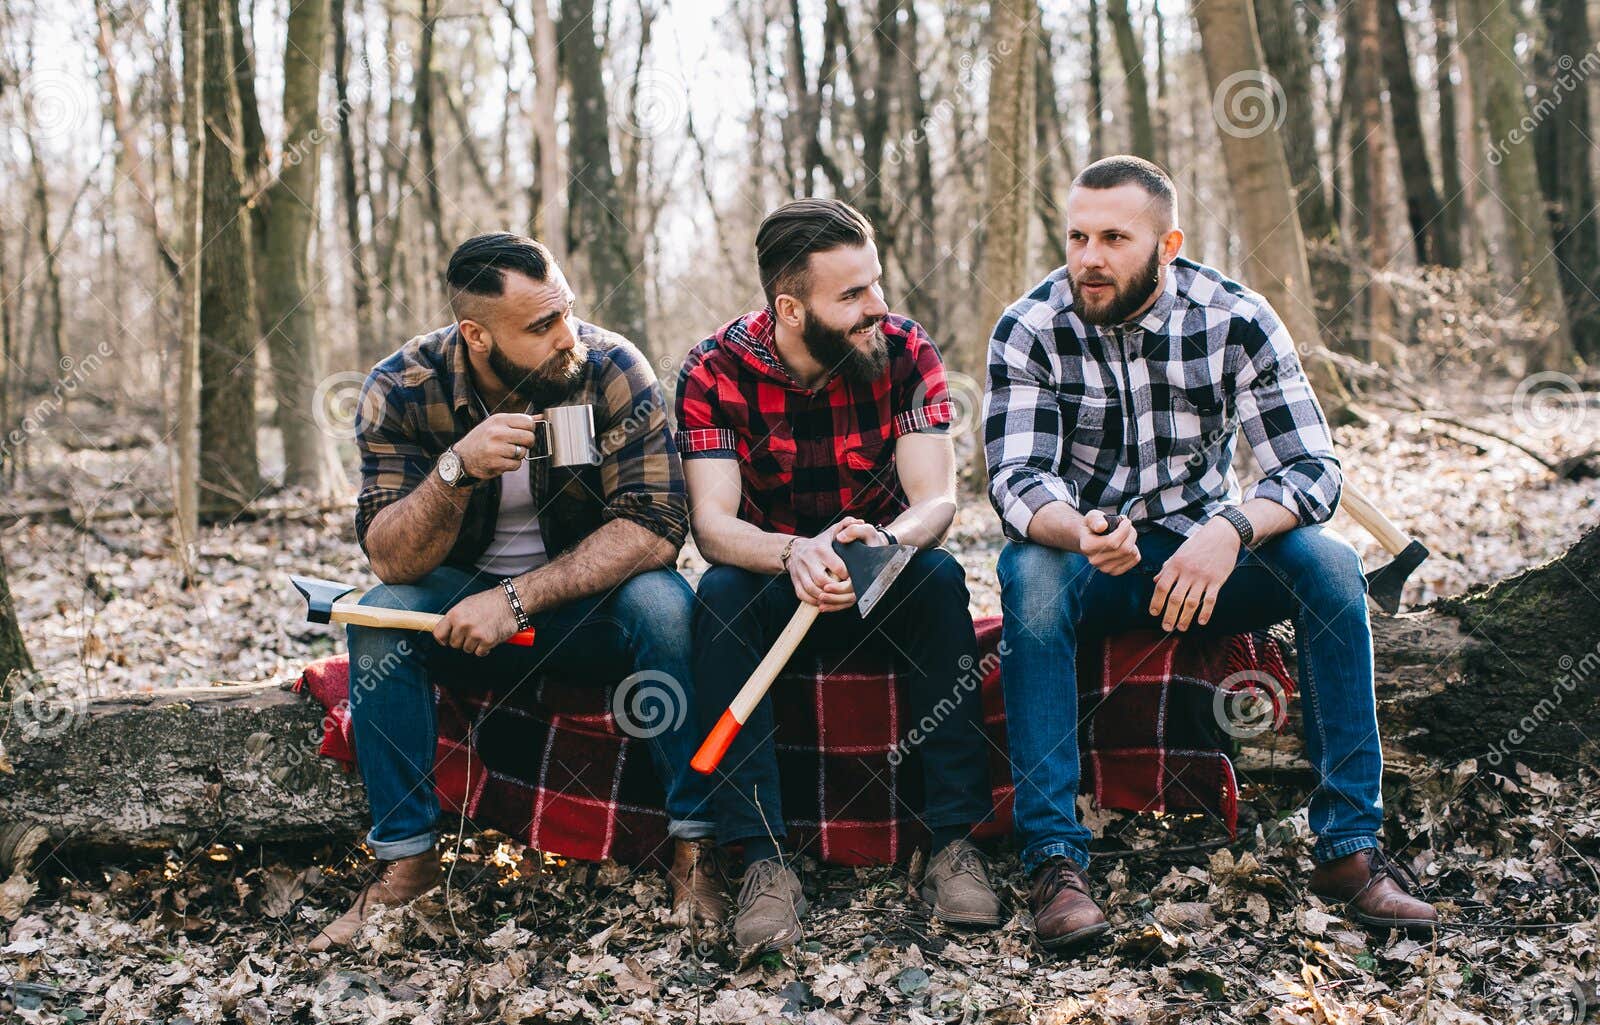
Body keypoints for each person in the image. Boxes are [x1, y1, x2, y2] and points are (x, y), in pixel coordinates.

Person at [984, 156, 1437, 950]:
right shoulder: (1030, 327)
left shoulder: (1236, 317)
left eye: (1114, 238)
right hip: (1093, 560)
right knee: (1029, 573)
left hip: (1211, 559)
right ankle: (1054, 860)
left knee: (1329, 565)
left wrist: (1229, 530)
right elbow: (1018, 479)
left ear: (1168, 243)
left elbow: (1312, 470)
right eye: (1078, 235)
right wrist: (1075, 527)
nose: (1089, 257)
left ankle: (1348, 848)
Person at [309, 232, 722, 951]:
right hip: (457, 611)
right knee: (378, 618)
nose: (568, 336)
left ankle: (695, 851)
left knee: (665, 603)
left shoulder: (611, 369)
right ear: (475, 334)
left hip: (583, 613)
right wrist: (453, 472)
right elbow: (389, 556)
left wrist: (517, 599)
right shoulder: (403, 387)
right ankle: (406, 867)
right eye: (540, 326)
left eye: (566, 311)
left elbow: (656, 527)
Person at [676, 198, 1001, 954]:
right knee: (717, 595)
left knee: (942, 578)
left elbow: (938, 499)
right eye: (852, 294)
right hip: (770, 580)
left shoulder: (906, 348)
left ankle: (954, 843)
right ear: (790, 307)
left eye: (876, 283)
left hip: (880, 580)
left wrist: (885, 541)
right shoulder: (712, 369)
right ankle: (763, 858)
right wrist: (794, 552)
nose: (877, 307)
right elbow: (714, 526)